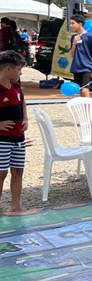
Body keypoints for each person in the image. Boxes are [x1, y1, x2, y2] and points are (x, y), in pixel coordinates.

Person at [0, 51, 28, 214]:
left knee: (18, 170)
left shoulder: (16, 84)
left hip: (18, 136)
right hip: (2, 138)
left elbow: (22, 100)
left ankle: (16, 205)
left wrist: (25, 118)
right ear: (8, 69)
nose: (21, 73)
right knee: (1, 172)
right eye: (19, 69)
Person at [68, 14, 92, 97]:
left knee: (85, 90)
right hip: (76, 67)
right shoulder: (73, 37)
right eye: (70, 24)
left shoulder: (90, 37)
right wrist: (74, 43)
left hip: (87, 67)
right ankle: (83, 108)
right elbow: (71, 54)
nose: (71, 26)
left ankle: (88, 109)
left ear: (80, 24)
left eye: (73, 23)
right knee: (80, 90)